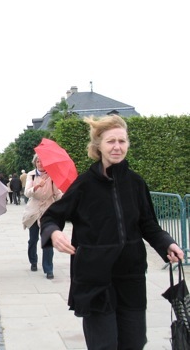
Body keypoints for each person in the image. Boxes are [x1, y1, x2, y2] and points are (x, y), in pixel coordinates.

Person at [40, 115, 183, 350]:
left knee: (134, 342)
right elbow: (51, 217)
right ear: (98, 146)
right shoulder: (84, 185)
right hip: (94, 277)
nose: (117, 146)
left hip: (130, 275)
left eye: (122, 141)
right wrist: (54, 233)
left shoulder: (136, 183)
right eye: (110, 141)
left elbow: (149, 224)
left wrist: (167, 243)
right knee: (104, 345)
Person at [22, 154, 63, 279]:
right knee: (33, 239)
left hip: (48, 211)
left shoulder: (52, 176)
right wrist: (36, 187)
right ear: (35, 163)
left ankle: (48, 268)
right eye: (38, 161)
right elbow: (27, 193)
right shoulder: (31, 175)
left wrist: (67, 198)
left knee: (47, 241)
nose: (40, 163)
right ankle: (33, 261)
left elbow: (57, 193)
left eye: (43, 161)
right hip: (33, 211)